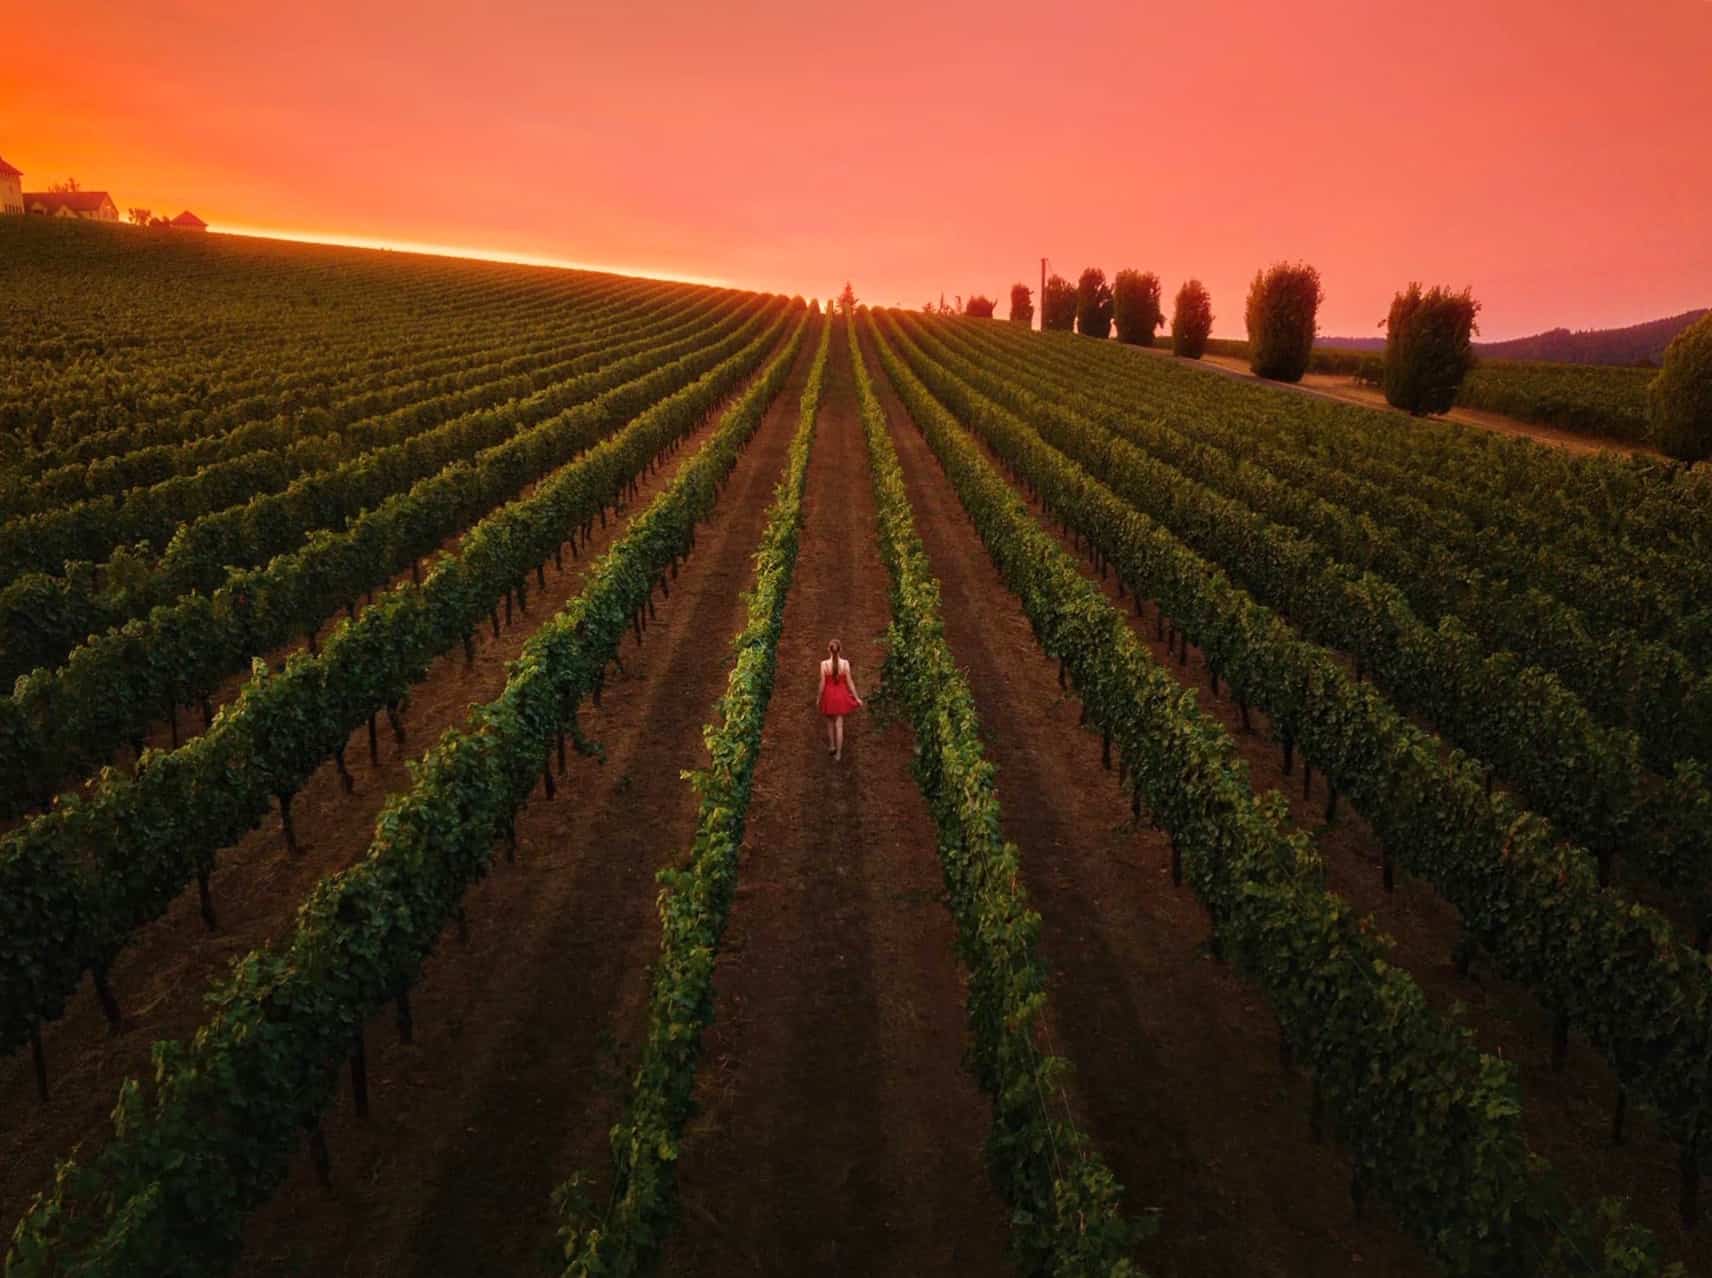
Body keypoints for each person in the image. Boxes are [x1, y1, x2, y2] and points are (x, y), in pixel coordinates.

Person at [817, 638, 862, 760]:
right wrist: (857, 698)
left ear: (828, 649)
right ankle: (839, 754)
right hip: (841, 695)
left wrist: (819, 698)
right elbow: (850, 682)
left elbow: (822, 684)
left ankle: (832, 746)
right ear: (840, 649)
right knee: (839, 725)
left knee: (830, 723)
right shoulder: (845, 664)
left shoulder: (824, 664)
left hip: (829, 695)